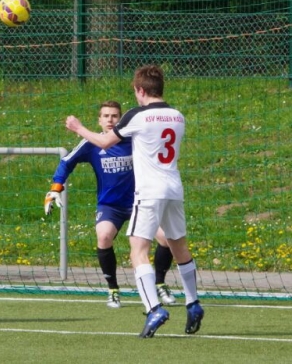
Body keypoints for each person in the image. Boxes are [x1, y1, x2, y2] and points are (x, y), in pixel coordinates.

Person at [65, 64, 203, 339]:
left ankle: (154, 309)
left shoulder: (136, 115)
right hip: (174, 188)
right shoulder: (178, 116)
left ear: (140, 90)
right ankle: (193, 303)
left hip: (149, 191)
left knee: (138, 250)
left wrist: (79, 128)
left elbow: (105, 142)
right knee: (179, 246)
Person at [45, 101, 177, 309]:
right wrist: (55, 188)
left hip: (140, 202)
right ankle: (113, 290)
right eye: (106, 116)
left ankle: (160, 284)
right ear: (99, 120)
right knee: (104, 236)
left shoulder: (135, 140)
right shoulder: (91, 143)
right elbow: (66, 162)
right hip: (110, 206)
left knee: (167, 237)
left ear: (121, 119)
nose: (110, 120)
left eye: (114, 116)